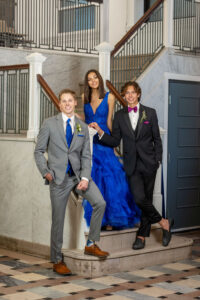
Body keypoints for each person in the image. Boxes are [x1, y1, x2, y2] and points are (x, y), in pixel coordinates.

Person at [90, 81, 174, 250]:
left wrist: (157, 160)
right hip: (132, 165)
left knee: (147, 199)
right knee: (139, 199)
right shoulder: (120, 116)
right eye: (126, 93)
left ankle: (141, 236)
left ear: (138, 94)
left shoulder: (150, 113)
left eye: (132, 92)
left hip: (150, 163)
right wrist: (100, 131)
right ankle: (164, 222)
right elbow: (114, 140)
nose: (129, 95)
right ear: (124, 96)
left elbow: (157, 139)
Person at [34, 89, 109, 276]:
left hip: (78, 176)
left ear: (75, 103)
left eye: (70, 101)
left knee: (100, 202)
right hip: (58, 179)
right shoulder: (49, 124)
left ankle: (91, 244)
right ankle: (57, 260)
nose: (67, 104)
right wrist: (46, 172)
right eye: (64, 101)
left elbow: (85, 155)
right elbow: (38, 151)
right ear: (59, 104)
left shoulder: (82, 127)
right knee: (58, 220)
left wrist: (84, 178)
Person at [82, 70, 141, 230]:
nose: (93, 81)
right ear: (87, 82)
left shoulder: (110, 96)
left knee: (110, 179)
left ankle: (109, 220)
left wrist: (114, 142)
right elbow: (85, 119)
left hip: (104, 140)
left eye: (95, 78)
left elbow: (109, 121)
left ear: (100, 79)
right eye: (89, 79)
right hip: (90, 141)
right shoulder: (84, 97)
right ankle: (96, 219)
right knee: (94, 178)